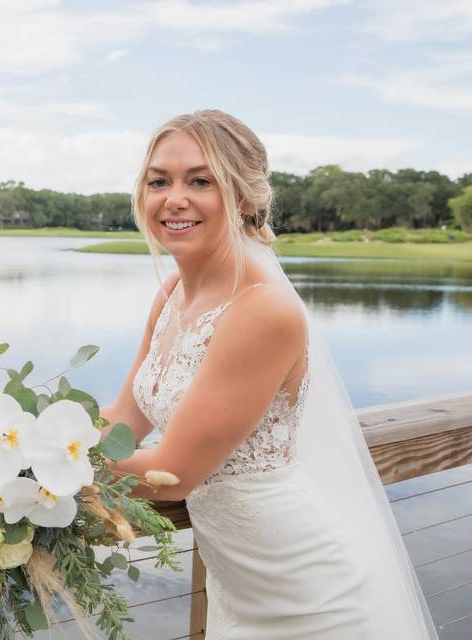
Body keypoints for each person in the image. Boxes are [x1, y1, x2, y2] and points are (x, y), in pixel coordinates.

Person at [100, 110, 439, 639]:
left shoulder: (262, 309)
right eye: (158, 181)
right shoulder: (170, 295)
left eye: (201, 180)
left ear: (244, 198)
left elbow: (173, 473)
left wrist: (44, 479)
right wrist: (22, 436)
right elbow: (124, 419)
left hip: (307, 595)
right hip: (238, 587)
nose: (174, 198)